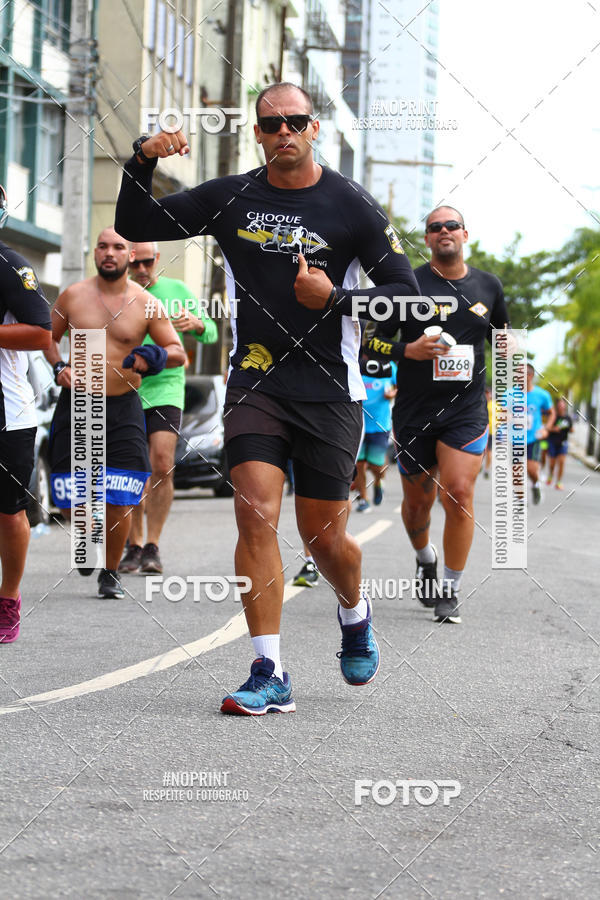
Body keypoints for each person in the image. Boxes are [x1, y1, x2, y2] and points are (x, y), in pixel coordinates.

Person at [115, 81, 420, 715]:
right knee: (254, 510)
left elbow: (407, 300)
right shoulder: (232, 197)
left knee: (322, 538)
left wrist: (334, 299)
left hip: (332, 391)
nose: (284, 133)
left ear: (315, 128)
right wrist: (142, 157)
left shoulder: (353, 206)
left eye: (296, 122)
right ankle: (268, 669)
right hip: (256, 381)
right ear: (257, 133)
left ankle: (354, 611)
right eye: (271, 124)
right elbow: (135, 224)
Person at [367, 206, 510, 624]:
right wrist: (406, 351)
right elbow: (372, 344)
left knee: (459, 493)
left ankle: (450, 588)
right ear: (427, 239)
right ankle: (424, 558)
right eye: (435, 227)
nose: (444, 231)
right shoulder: (406, 284)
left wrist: (506, 393)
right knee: (417, 506)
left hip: (466, 410)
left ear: (466, 233)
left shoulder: (489, 286)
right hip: (414, 412)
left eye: (452, 226)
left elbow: (504, 345)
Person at [44, 228, 186, 599]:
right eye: (103, 246)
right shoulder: (74, 296)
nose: (110, 253)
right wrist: (59, 364)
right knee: (70, 491)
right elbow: (47, 335)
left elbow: (177, 351)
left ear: (129, 256)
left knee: (120, 493)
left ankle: (110, 571)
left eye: (118, 247)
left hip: (123, 405)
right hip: (78, 403)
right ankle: (86, 529)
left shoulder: (145, 303)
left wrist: (152, 356)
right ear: (95, 252)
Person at [118, 242, 217, 575]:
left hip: (166, 389)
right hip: (127, 388)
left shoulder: (176, 290)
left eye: (147, 262)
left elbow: (211, 333)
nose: (142, 269)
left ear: (157, 260)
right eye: (135, 264)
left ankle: (152, 545)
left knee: (162, 462)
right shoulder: (117, 292)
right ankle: (133, 545)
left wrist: (198, 323)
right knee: (133, 471)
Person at [0, 185, 52, 643]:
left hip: (8, 415)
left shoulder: (11, 265)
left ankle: (9, 599)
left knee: (8, 512)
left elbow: (40, 331)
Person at [354, 358, 397, 512]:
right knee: (359, 464)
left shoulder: (388, 365)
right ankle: (363, 499)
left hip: (380, 424)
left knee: (376, 465)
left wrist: (392, 393)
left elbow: (399, 385)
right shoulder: (356, 362)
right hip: (358, 423)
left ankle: (378, 482)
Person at [525, 363, 555, 503]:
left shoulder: (542, 395)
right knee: (516, 471)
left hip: (533, 438)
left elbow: (551, 413)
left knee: (531, 469)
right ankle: (520, 502)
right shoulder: (510, 394)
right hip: (515, 439)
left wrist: (546, 429)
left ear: (530, 376)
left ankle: (536, 484)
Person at [546, 398, 573, 490]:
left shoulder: (568, 418)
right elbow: (548, 428)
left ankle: (559, 482)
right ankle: (550, 474)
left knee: (561, 462)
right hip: (553, 442)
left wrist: (571, 429)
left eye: (563, 405)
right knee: (552, 464)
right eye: (560, 405)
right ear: (557, 406)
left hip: (563, 443)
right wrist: (554, 429)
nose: (561, 406)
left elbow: (571, 429)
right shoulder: (554, 416)